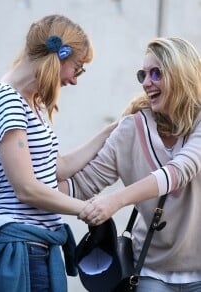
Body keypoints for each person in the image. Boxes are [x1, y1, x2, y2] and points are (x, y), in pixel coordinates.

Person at [0, 14, 115, 292]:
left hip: (36, 249)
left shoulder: (29, 102)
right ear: (59, 56)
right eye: (77, 69)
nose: (74, 80)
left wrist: (111, 131)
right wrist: (89, 210)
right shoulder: (6, 100)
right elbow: (27, 190)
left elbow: (55, 168)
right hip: (20, 253)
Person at [67, 37, 201, 291]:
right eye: (143, 75)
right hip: (148, 272)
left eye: (156, 74)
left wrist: (115, 201)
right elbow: (80, 185)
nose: (146, 83)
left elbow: (179, 171)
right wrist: (16, 191)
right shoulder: (131, 128)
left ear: (181, 75)